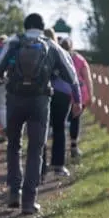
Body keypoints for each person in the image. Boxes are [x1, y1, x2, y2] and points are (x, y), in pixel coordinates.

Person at [0, 13, 81, 214]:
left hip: (15, 99)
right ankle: (28, 202)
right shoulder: (51, 44)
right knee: (35, 149)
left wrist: (8, 79)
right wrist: (77, 99)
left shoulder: (15, 41)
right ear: (42, 28)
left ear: (25, 26)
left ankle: (14, 192)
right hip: (40, 102)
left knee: (14, 145)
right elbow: (71, 76)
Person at [41, 29, 79, 178]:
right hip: (62, 95)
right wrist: (78, 99)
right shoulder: (62, 52)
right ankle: (58, 165)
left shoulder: (39, 52)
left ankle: (40, 167)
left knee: (41, 130)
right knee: (59, 129)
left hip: (42, 93)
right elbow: (73, 77)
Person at [66, 38, 93, 158]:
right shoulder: (80, 59)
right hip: (79, 93)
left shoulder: (58, 56)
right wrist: (91, 94)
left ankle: (59, 146)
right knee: (75, 119)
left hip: (63, 92)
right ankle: (73, 146)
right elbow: (87, 78)